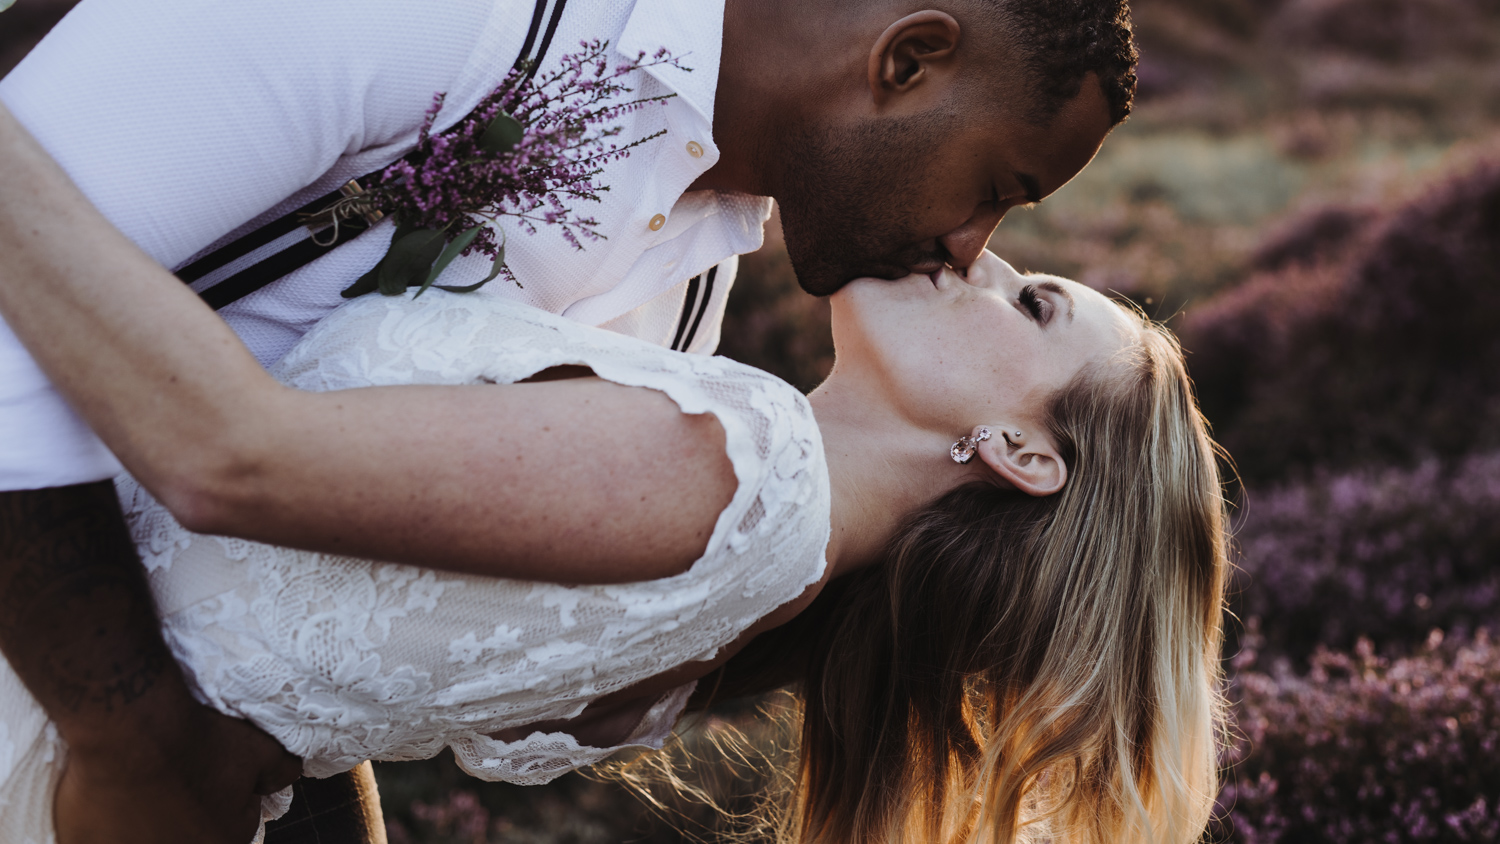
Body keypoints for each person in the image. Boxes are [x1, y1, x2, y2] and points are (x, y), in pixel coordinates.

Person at [0, 0, 1139, 840]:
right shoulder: (453, 19)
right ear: (908, 58)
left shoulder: (692, 320)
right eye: (998, 184)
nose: (972, 247)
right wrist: (132, 724)